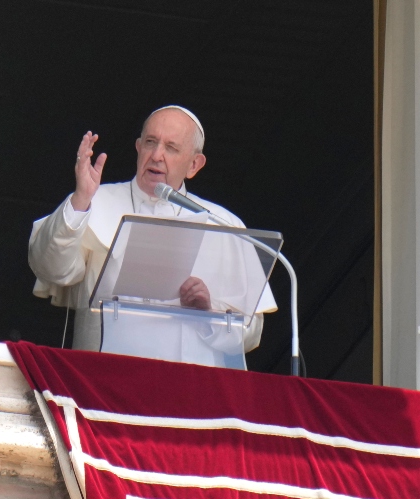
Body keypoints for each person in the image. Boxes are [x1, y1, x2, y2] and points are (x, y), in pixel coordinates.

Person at [28, 105, 277, 361]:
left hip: (190, 388)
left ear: (194, 164)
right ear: (138, 148)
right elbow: (51, 269)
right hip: (102, 382)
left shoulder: (224, 224)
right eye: (150, 142)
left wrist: (208, 312)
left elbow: (251, 333)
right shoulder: (94, 202)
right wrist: (80, 199)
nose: (157, 155)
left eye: (171, 147)